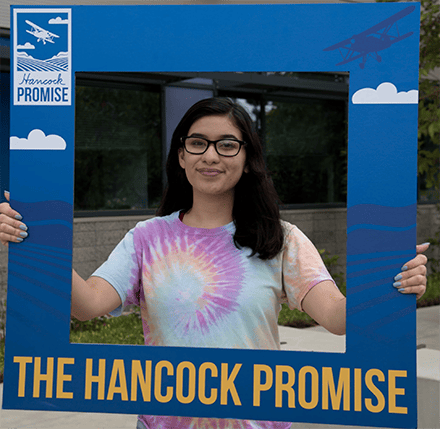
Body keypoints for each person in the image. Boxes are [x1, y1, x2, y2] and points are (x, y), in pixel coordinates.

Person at [0, 98, 429, 429]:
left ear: (247, 159)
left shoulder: (281, 239)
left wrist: (393, 284)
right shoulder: (147, 239)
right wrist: (34, 242)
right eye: (197, 143)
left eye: (227, 145)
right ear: (181, 155)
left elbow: (337, 317)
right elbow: (86, 304)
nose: (211, 156)